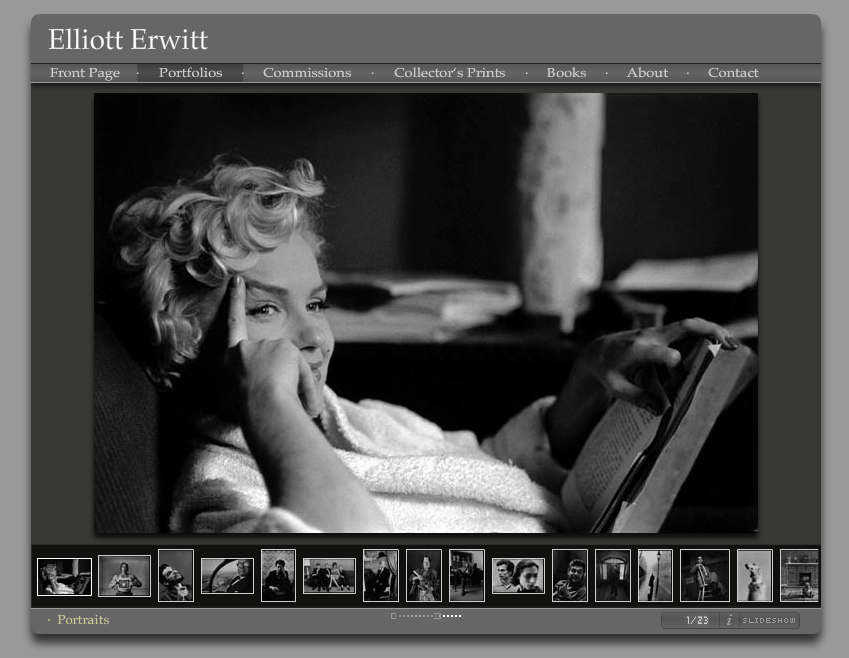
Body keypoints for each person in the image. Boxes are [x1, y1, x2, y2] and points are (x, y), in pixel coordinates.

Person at [109, 157, 741, 534]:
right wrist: (269, 403)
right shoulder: (218, 493)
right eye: (266, 309)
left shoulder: (355, 418)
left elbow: (484, 465)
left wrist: (586, 379)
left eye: (317, 304)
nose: (314, 336)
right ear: (184, 336)